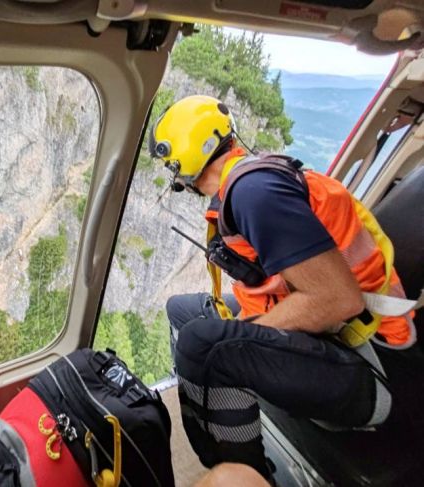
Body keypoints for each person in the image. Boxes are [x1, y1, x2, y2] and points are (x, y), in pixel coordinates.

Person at [148, 95, 422, 480]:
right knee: (183, 310)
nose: (174, 177)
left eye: (170, 166)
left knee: (204, 344)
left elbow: (337, 299)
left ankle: (242, 475)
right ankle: (222, 422)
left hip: (370, 361)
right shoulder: (248, 182)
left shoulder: (254, 194)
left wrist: (246, 334)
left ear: (183, 161)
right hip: (338, 338)